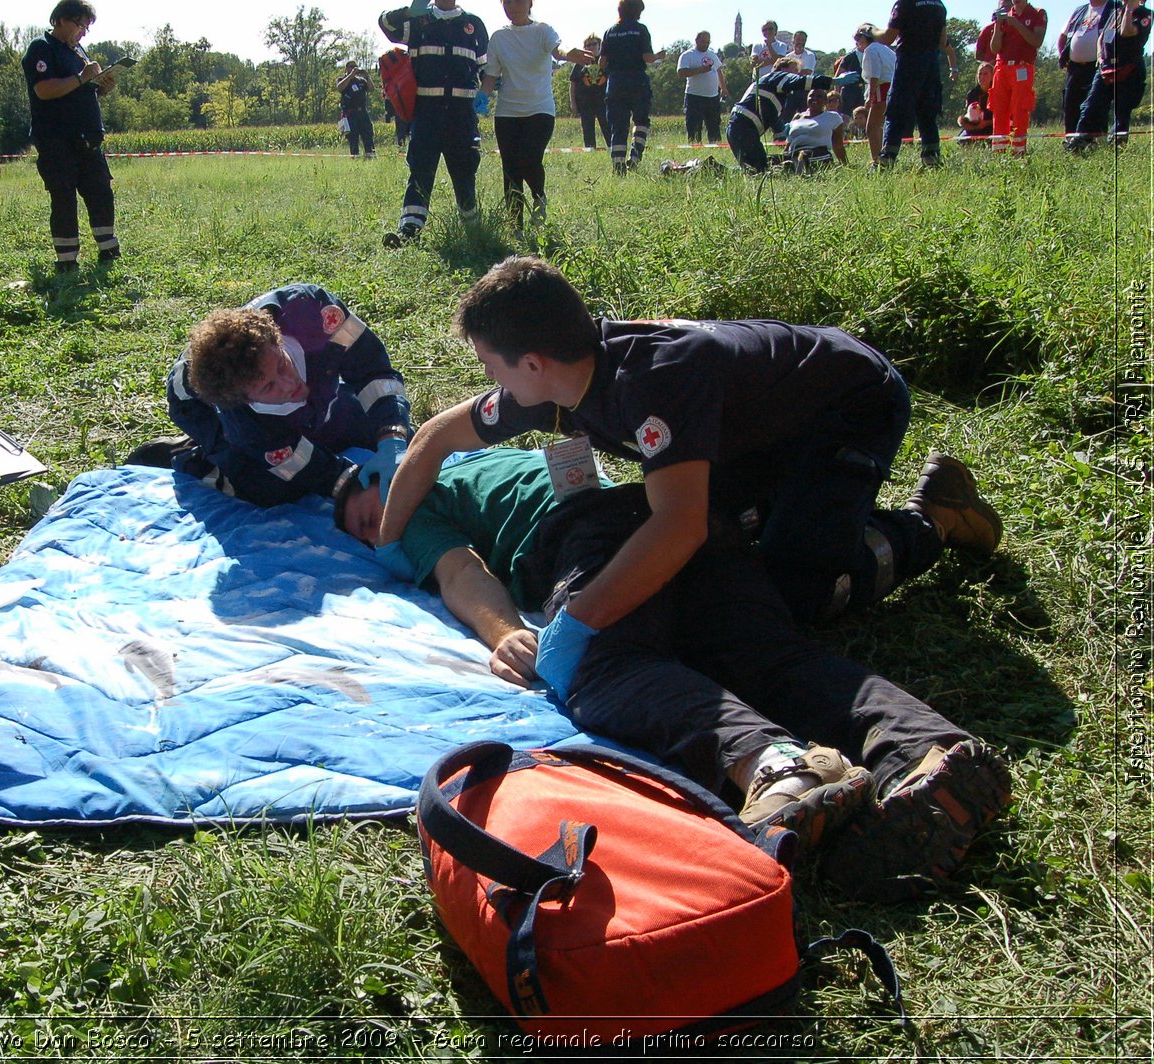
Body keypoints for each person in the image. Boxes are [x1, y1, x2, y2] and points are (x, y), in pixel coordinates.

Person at [345, 446, 1011, 900]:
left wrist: (506, 632)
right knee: (768, 658)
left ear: (389, 478)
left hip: (596, 541)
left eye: (368, 517)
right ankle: (928, 750)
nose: (379, 534)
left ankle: (775, 765)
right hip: (682, 521)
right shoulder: (495, 457)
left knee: (601, 669)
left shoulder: (414, 501)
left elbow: (461, 570)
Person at [375, 255, 1004, 687]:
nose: (491, 382)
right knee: (717, 547)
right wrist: (387, 540)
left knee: (798, 588)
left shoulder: (655, 382)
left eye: (493, 365)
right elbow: (433, 439)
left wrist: (578, 621)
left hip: (846, 407)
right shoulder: (559, 379)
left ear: (533, 363)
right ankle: (813, 508)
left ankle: (932, 521)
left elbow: (679, 526)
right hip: (757, 429)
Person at [131, 285, 413, 506]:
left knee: (365, 422)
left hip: (249, 392)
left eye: (281, 364)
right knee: (267, 487)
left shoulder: (311, 311)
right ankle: (188, 456)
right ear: (246, 401)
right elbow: (310, 468)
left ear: (276, 337)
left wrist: (392, 434)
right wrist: (354, 485)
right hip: (194, 403)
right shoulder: (245, 422)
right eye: (269, 387)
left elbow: (372, 368)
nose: (289, 383)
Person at [379, 0, 490, 246]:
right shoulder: (418, 21)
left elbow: (487, 68)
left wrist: (488, 95)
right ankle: (409, 230)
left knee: (465, 170)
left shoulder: (473, 24)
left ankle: (473, 229)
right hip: (426, 112)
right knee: (420, 170)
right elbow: (385, 24)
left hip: (462, 114)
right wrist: (410, 10)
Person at [22, 0, 121, 272]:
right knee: (64, 197)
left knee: (101, 191)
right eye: (80, 25)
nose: (83, 32)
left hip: (87, 138)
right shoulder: (41, 48)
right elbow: (44, 89)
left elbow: (80, 92)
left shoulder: (77, 51)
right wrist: (81, 77)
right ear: (61, 20)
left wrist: (100, 88)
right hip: (57, 140)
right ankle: (67, 262)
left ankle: (108, 251)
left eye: (86, 28)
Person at [480, 0, 593, 229]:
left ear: (530, 3)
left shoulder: (543, 30)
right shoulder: (498, 38)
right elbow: (491, 76)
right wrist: (480, 100)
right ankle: (516, 227)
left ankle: (539, 197)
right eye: (507, 2)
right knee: (510, 169)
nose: (512, 6)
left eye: (518, 1)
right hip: (507, 113)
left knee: (529, 158)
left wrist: (569, 54)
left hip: (539, 110)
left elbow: (558, 50)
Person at [876, 0, 959, 166]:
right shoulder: (938, 5)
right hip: (931, 65)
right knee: (928, 113)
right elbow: (943, 42)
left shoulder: (904, 3)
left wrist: (870, 31)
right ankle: (932, 158)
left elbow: (888, 38)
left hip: (908, 62)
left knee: (896, 111)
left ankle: (887, 159)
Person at [1067, 0, 1152, 149]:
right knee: (1090, 104)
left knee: (1121, 110)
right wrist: (1100, 58)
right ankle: (1080, 142)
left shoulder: (1145, 14)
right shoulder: (1116, 12)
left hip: (1129, 69)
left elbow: (1126, 32)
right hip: (1106, 68)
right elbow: (1102, 37)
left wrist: (1130, 9)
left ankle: (1117, 146)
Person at [599, 0, 661, 173]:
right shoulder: (640, 30)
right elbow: (647, 57)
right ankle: (635, 157)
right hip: (637, 81)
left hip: (616, 83)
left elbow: (602, 63)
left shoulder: (610, 32)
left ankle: (618, 166)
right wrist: (658, 56)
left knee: (618, 125)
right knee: (641, 121)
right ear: (636, 11)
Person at [984, 0, 1049, 155]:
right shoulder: (1005, 14)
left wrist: (1017, 24)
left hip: (1022, 67)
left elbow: (1036, 41)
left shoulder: (1038, 13)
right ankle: (999, 151)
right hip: (1002, 67)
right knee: (999, 109)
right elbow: (994, 48)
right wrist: (998, 26)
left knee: (1020, 108)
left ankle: (1018, 151)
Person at [725, 56, 811, 172]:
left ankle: (713, 169)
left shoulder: (772, 86)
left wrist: (781, 130)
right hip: (744, 128)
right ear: (783, 69)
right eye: (794, 71)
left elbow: (772, 117)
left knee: (754, 168)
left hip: (740, 127)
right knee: (757, 170)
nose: (796, 76)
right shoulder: (777, 77)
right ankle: (710, 168)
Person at [1060, 0, 1113, 134]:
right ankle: (1071, 141)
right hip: (1074, 68)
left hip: (1098, 67)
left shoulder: (1114, 8)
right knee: (1070, 105)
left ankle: (1095, 142)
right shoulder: (1080, 10)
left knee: (1095, 106)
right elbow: (1063, 36)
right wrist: (1063, 55)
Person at [782, 76, 849, 171]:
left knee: (805, 156)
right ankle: (787, 167)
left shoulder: (832, 117)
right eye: (811, 96)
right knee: (770, 159)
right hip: (794, 152)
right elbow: (789, 143)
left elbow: (837, 144)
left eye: (819, 97)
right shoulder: (797, 117)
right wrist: (783, 157)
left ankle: (796, 168)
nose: (814, 98)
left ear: (825, 101)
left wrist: (845, 165)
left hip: (818, 152)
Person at [677, 30, 727, 144]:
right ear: (696, 41)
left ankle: (715, 150)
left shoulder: (712, 55)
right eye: (703, 42)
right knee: (694, 128)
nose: (705, 44)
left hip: (712, 97)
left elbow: (718, 70)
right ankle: (695, 152)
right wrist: (700, 70)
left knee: (714, 127)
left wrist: (723, 88)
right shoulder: (687, 55)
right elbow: (681, 73)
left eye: (708, 42)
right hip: (694, 97)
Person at [858, 24, 899, 164]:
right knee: (880, 126)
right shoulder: (886, 49)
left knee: (872, 127)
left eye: (858, 38)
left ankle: (877, 160)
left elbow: (874, 74)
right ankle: (884, 155)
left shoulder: (871, 49)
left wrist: (870, 96)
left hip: (881, 87)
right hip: (893, 86)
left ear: (864, 37)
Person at [568, 34, 611, 150]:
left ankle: (614, 151)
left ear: (599, 45)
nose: (591, 47)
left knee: (608, 128)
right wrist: (573, 103)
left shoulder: (605, 62)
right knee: (588, 131)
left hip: (604, 102)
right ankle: (590, 152)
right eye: (588, 45)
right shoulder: (579, 63)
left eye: (594, 44)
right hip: (585, 103)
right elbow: (572, 83)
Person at [338, 61, 378, 158]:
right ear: (347, 68)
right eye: (351, 66)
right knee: (353, 135)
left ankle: (370, 154)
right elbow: (339, 88)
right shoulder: (342, 79)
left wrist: (367, 76)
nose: (354, 68)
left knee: (368, 132)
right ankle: (355, 156)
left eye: (355, 67)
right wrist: (350, 76)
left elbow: (372, 89)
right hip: (350, 113)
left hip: (362, 111)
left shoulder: (361, 81)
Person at [957, 61, 997, 143]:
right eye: (980, 74)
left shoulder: (997, 93)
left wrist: (986, 123)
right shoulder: (972, 94)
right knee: (962, 140)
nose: (982, 77)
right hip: (975, 127)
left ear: (992, 76)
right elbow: (968, 115)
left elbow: (1003, 116)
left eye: (985, 74)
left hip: (993, 126)